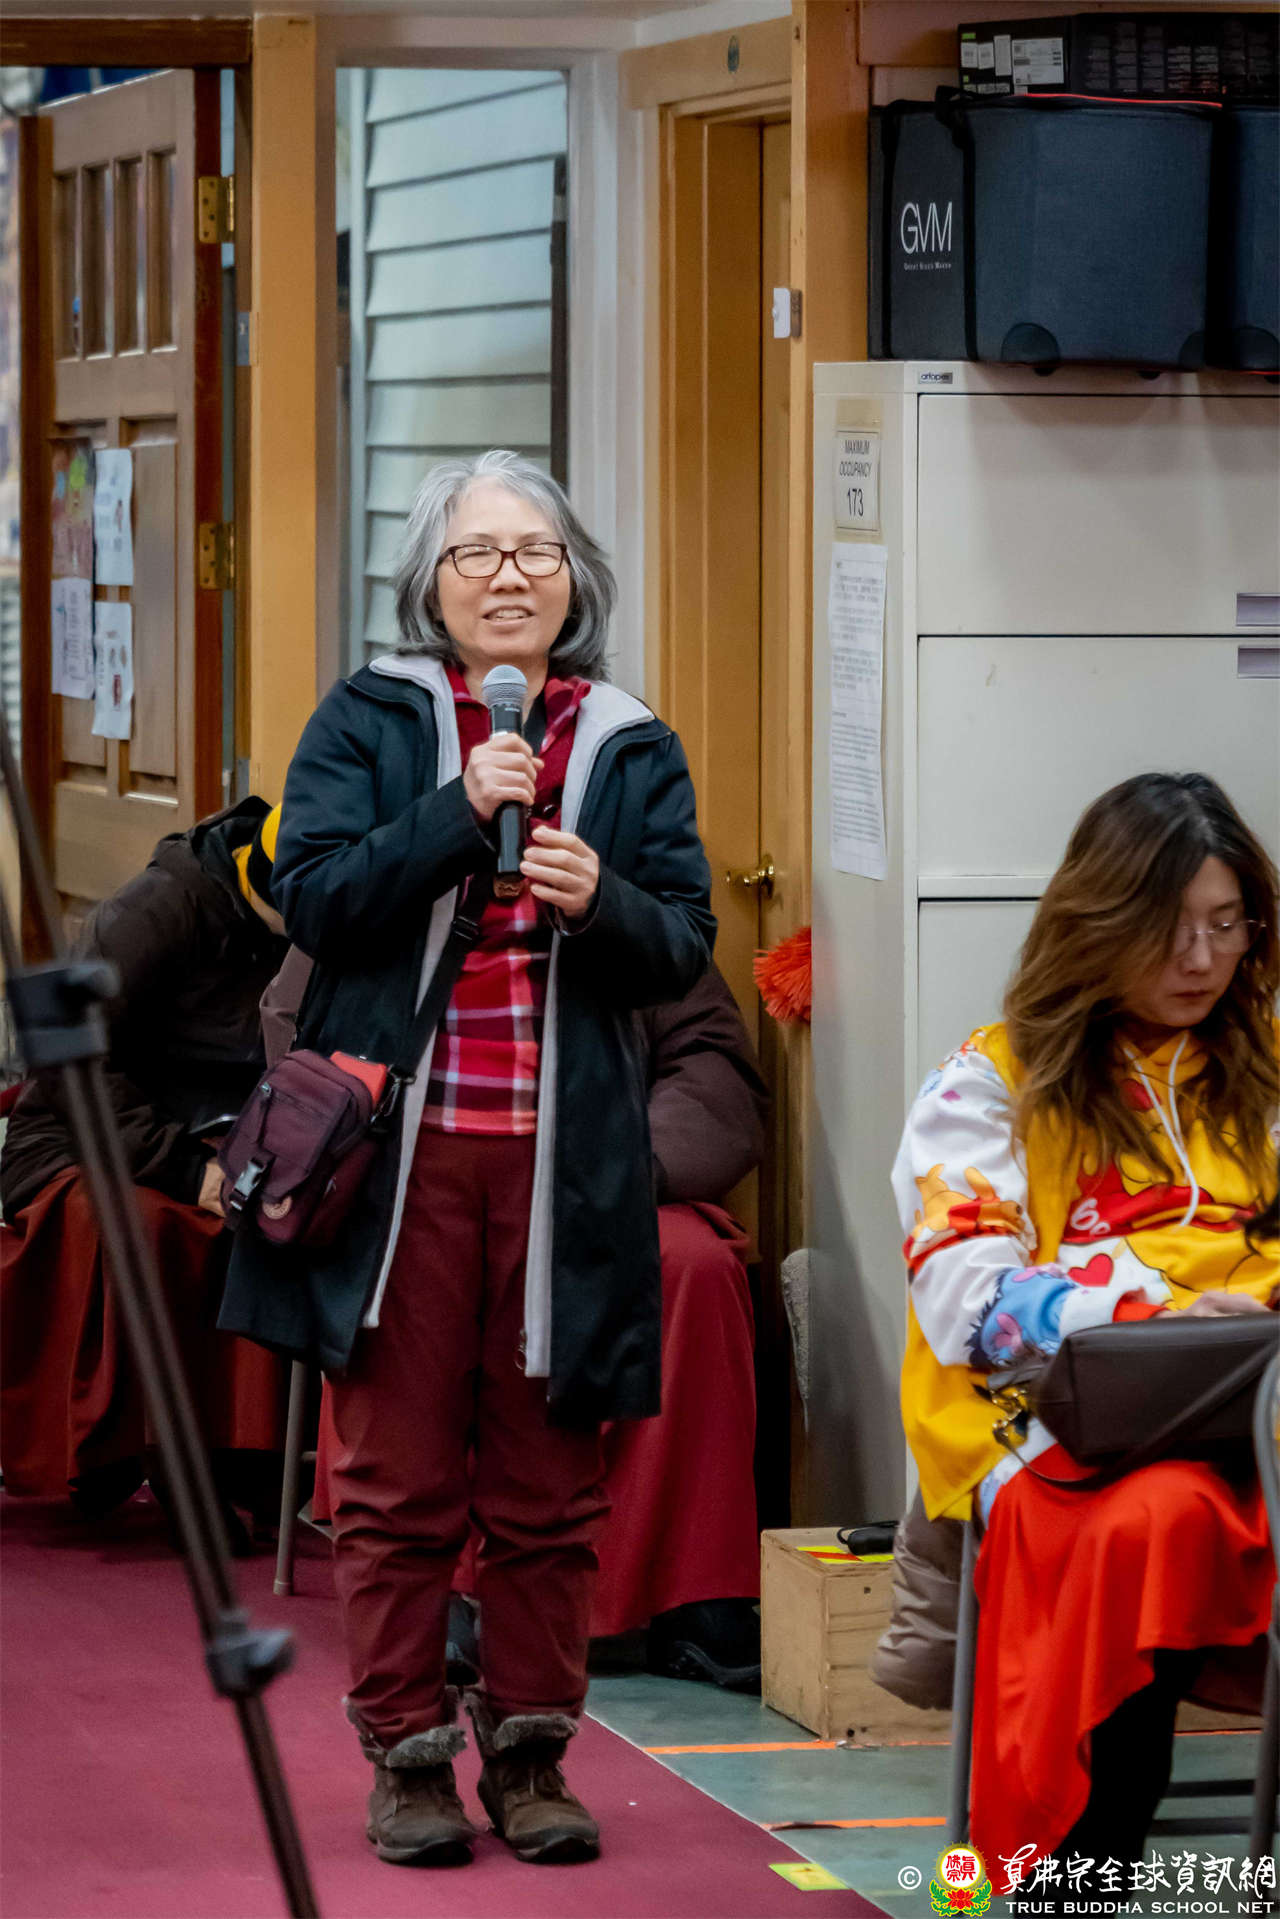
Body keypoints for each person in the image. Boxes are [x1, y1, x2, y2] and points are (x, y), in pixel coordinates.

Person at [218, 449, 714, 1869]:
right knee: (395, 1482)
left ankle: (534, 1750)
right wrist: (454, 813)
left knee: (551, 1482)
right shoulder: (368, 717)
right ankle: (407, 1754)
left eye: (535, 552)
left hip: (567, 1169)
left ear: (575, 581)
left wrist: (602, 898)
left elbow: (683, 942)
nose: (509, 577)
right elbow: (311, 897)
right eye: (477, 553)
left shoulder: (629, 741)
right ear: (429, 584)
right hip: (402, 1165)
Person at [892, 772, 1278, 1892]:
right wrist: (1157, 1319)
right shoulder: (990, 1082)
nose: (1201, 959)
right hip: (1068, 1428)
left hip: (1255, 1410)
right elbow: (968, 1298)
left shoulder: (1261, 1067)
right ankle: (1079, 1870)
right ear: (1097, 922)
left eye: (1226, 925)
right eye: (1170, 929)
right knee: (1153, 1525)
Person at [283, 960, 769, 1689]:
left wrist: (627, 1169)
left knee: (695, 1267)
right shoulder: (373, 886)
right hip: (416, 1173)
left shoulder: (622, 894)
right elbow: (301, 1034)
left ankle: (693, 1590)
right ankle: (433, 1590)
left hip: (604, 1177)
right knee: (407, 1273)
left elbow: (709, 1059)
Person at [0, 800, 289, 1523]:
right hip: (80, 1134)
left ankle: (231, 1461)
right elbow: (65, 1061)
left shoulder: (318, 932)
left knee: (269, 1220)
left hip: (222, 1134)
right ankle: (121, 1448)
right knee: (147, 1225)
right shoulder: (160, 907)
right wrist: (187, 1170)